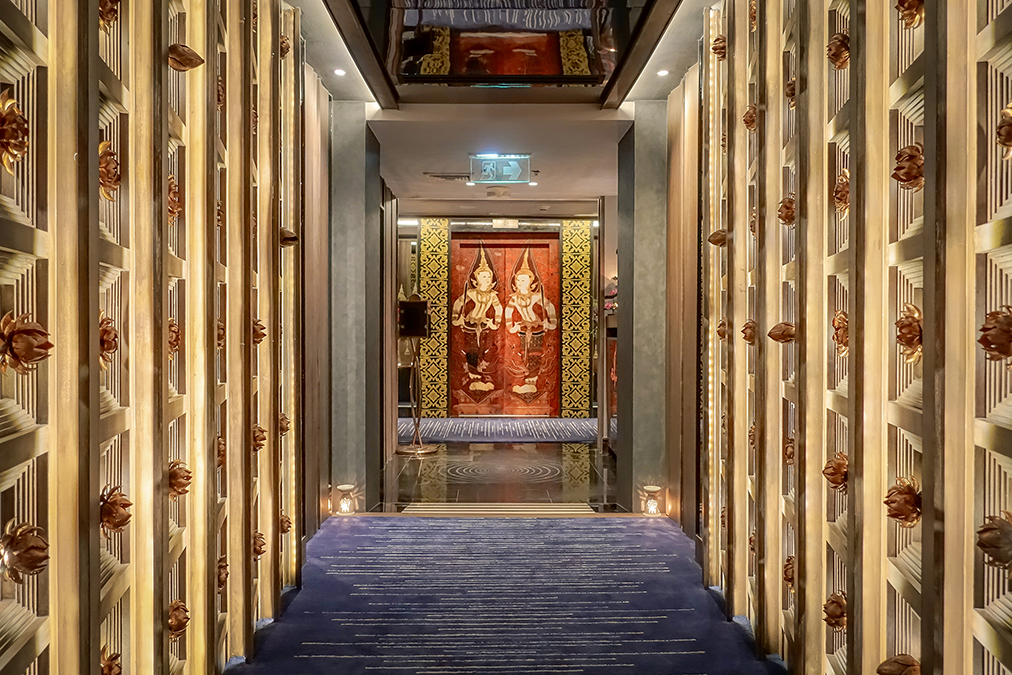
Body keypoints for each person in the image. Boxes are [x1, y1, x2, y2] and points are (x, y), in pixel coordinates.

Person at [505, 248, 557, 395]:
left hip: (536, 328)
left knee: (534, 354)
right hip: (522, 329)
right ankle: (526, 380)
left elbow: (550, 307)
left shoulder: (536, 297)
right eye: (519, 279)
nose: (520, 282)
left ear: (531, 282)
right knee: (524, 354)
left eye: (524, 279)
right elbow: (508, 311)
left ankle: (532, 381)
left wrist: (550, 323)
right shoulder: (514, 298)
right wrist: (511, 326)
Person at [451, 246, 502, 393]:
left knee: (485, 350)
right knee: (471, 351)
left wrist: (496, 322)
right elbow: (458, 303)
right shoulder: (471, 293)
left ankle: (483, 375)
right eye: (483, 276)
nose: (486, 279)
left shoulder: (492, 295)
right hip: (469, 325)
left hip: (485, 325)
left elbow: (499, 308)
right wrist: (456, 319)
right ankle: (473, 377)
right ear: (476, 278)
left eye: (488, 276)